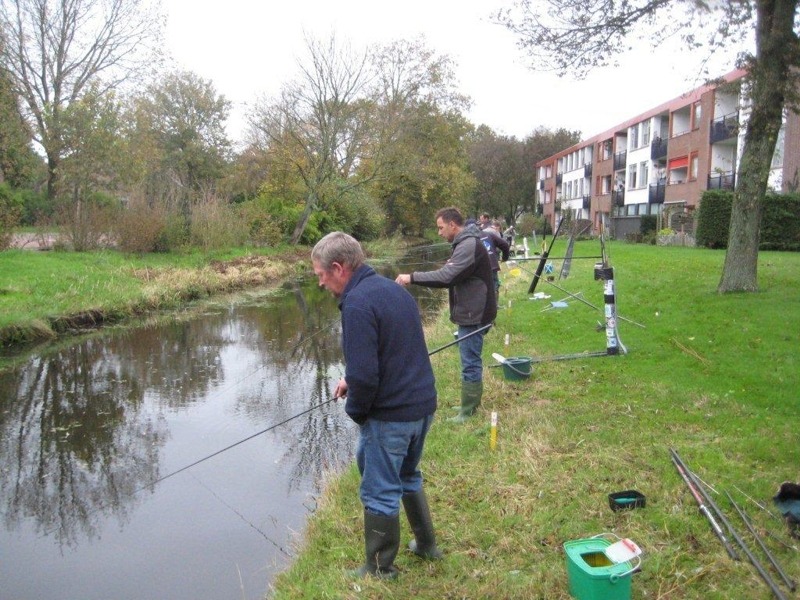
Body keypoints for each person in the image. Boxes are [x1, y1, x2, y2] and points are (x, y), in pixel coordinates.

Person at [311, 232, 441, 580]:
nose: (320, 283)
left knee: (379, 490)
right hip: (423, 405)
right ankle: (427, 545)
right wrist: (351, 379)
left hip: (392, 415)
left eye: (320, 275)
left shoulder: (356, 304)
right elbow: (393, 350)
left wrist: (357, 412)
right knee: (408, 475)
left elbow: (368, 378)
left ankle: (380, 569)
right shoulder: (393, 290)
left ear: (338, 268)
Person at [396, 207, 497, 423]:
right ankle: (468, 404)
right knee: (468, 359)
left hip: (474, 313)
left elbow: (447, 276)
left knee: (470, 361)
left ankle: (468, 411)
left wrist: (411, 277)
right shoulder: (464, 243)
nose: (439, 232)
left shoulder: (468, 244)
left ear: (453, 225)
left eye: (441, 228)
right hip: (471, 310)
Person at [478, 220, 510, 299]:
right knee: (494, 284)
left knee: (482, 287)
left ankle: (488, 306)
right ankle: (494, 306)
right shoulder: (490, 234)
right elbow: (505, 245)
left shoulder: (469, 239)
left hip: (478, 268)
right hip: (491, 264)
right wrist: (505, 258)